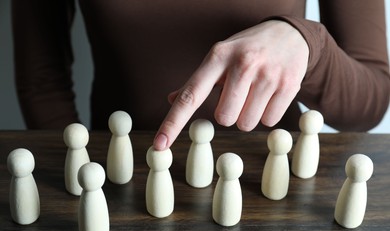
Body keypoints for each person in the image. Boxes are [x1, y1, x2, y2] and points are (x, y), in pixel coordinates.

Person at [12, 1, 390, 151]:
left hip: (276, 186)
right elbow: (42, 81)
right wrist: (78, 166)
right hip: (120, 181)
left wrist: (309, 44)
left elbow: (372, 99)